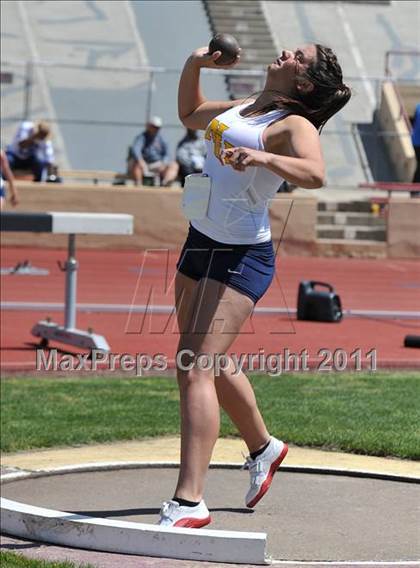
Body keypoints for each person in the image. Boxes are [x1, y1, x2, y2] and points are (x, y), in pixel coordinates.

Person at [157, 42, 351, 528]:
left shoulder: (294, 123)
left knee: (193, 367)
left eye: (297, 56)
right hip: (201, 237)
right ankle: (264, 448)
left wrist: (262, 160)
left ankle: (189, 502)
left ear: (304, 83)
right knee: (207, 359)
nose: (286, 52)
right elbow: (189, 114)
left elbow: (316, 174)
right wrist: (194, 62)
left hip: (241, 254)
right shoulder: (249, 103)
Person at [126, 116, 179, 186]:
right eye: (154, 127)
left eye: (158, 127)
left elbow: (167, 154)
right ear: (149, 126)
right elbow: (136, 150)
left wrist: (164, 163)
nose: (156, 129)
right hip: (144, 163)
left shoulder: (162, 139)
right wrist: (141, 161)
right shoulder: (142, 137)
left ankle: (165, 184)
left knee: (174, 165)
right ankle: (138, 186)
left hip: (157, 163)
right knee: (137, 165)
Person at [411, 103, 420, 196]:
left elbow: (413, 122)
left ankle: (414, 189)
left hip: (415, 141)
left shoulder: (418, 106)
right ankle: (414, 190)